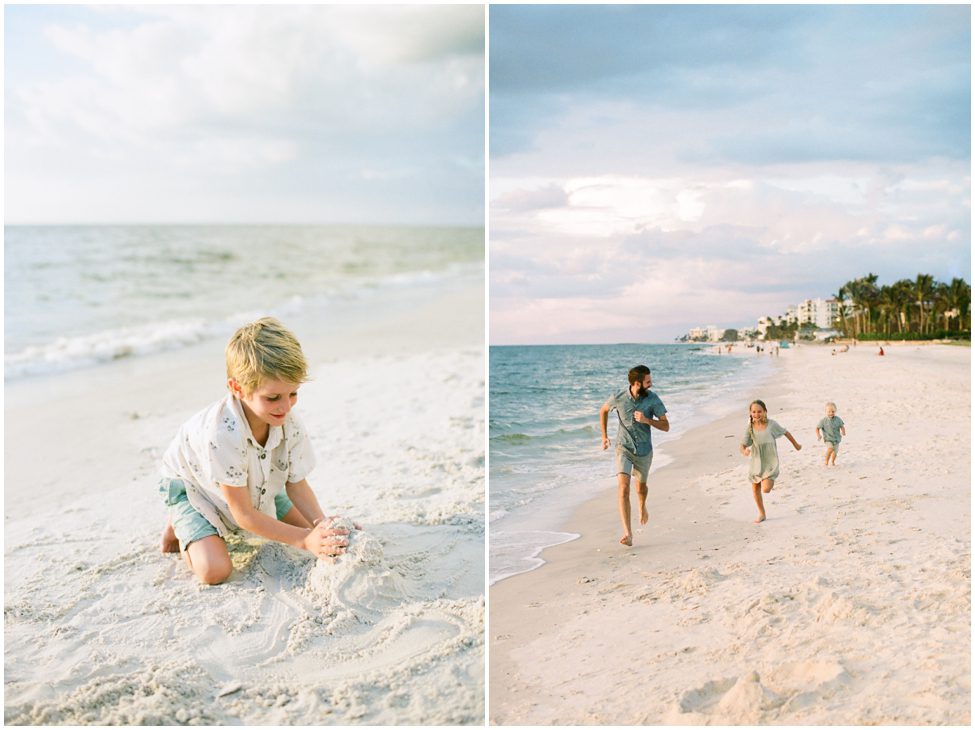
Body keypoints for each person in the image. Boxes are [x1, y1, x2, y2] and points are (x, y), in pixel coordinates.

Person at [158, 317, 355, 584]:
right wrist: (304, 541)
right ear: (237, 388)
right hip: (196, 485)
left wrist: (322, 525)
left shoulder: (287, 420)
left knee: (312, 531)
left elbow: (296, 485)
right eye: (273, 398)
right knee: (215, 572)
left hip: (258, 482)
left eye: (293, 394)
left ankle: (198, 525)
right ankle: (182, 520)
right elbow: (244, 515)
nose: (285, 407)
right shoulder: (222, 434)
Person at [599, 365, 669, 546]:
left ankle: (642, 505)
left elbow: (666, 426)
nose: (651, 384)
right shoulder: (619, 397)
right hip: (624, 448)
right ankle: (628, 533)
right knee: (623, 488)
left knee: (640, 489)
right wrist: (604, 436)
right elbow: (603, 410)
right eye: (648, 382)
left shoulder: (653, 399)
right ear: (637, 383)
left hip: (644, 451)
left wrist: (647, 420)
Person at [739, 399, 801, 524]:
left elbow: (785, 432)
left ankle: (767, 480)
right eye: (754, 412)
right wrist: (744, 451)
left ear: (765, 412)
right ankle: (762, 513)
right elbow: (742, 444)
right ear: (750, 413)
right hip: (756, 462)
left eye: (759, 411)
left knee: (766, 489)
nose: (756, 414)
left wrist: (796, 445)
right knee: (755, 487)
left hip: (770, 462)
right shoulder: (750, 427)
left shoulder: (771, 425)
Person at [816, 401, 847, 466]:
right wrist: (818, 435)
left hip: (836, 439)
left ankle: (832, 461)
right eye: (829, 412)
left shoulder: (838, 419)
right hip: (828, 439)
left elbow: (842, 426)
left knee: (835, 452)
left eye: (833, 411)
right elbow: (817, 428)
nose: (831, 413)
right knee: (830, 448)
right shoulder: (823, 421)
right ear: (826, 412)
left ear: (835, 411)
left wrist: (843, 431)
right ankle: (826, 461)